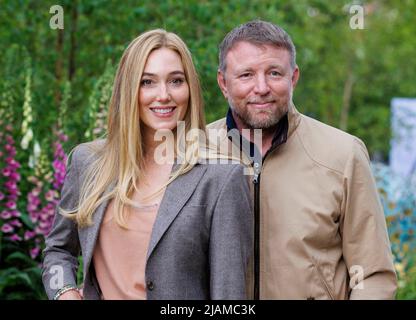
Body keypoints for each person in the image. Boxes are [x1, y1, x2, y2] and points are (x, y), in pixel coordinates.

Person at [42, 29, 253, 300]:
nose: (163, 95)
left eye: (176, 81)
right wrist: (64, 292)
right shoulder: (88, 163)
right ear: (128, 89)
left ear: (190, 89)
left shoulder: (222, 177)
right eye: (147, 82)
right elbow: (58, 251)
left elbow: (229, 298)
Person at [208, 20, 397, 299]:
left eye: (274, 73)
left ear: (293, 78)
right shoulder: (195, 154)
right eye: (246, 75)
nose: (261, 87)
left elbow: (372, 274)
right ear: (223, 83)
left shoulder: (343, 154)